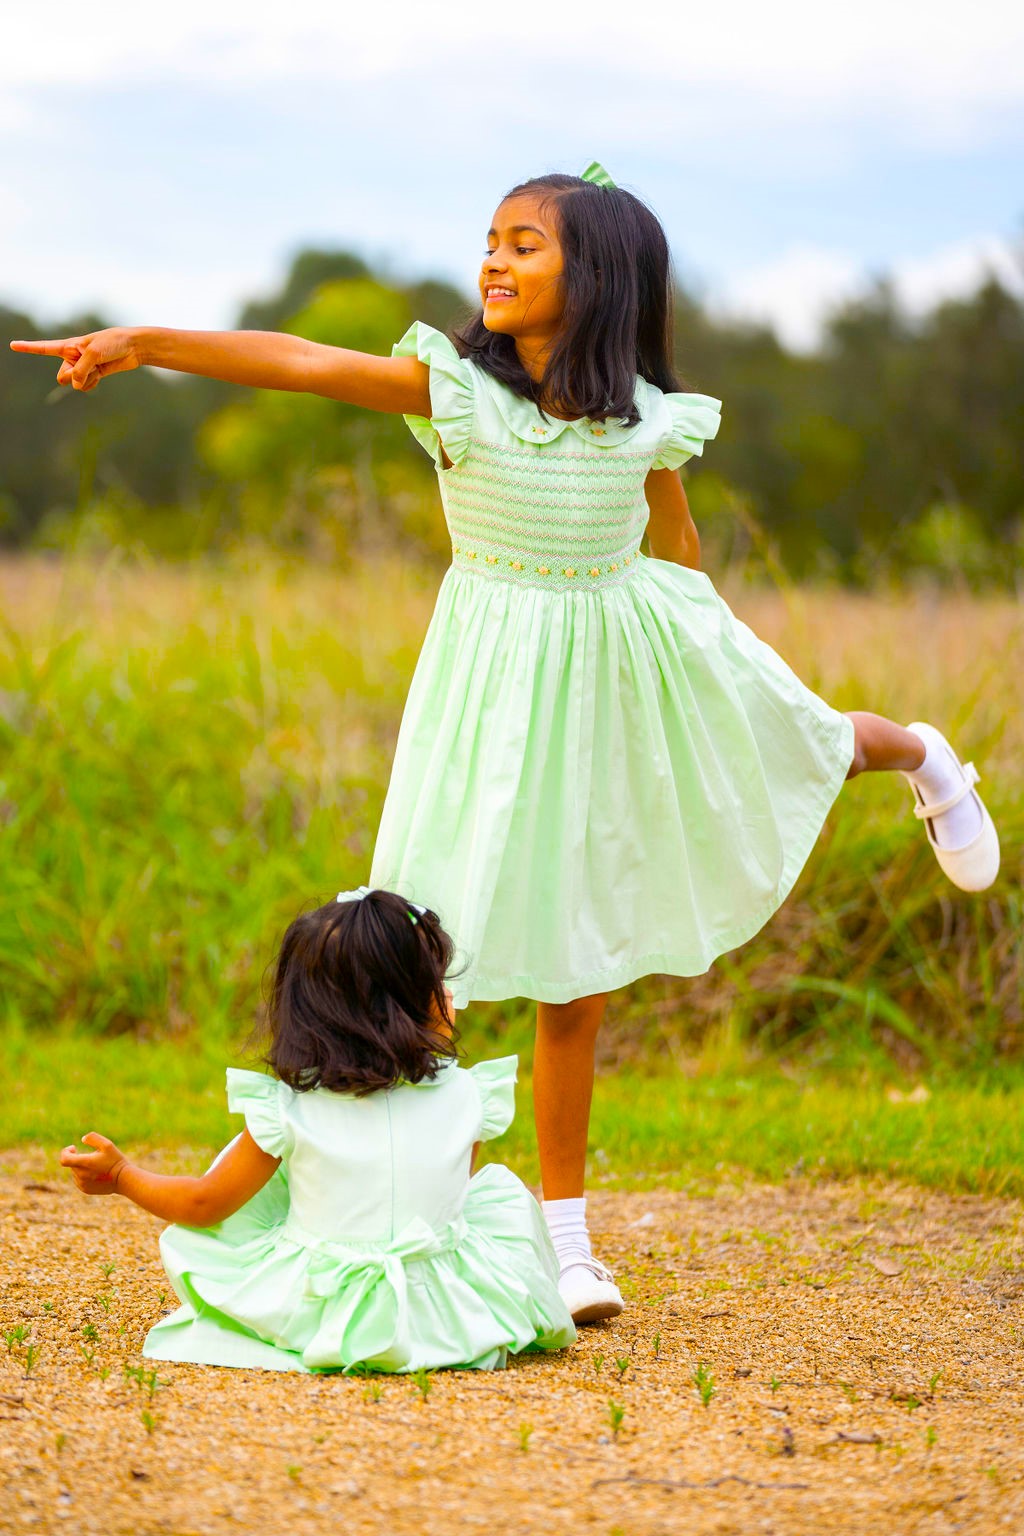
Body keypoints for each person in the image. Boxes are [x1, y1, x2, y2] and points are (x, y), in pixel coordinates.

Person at [23, 160, 1000, 1326]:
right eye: (489, 239)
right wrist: (148, 342)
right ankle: (477, 1224)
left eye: (524, 245)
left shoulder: (644, 421)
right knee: (448, 940)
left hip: (628, 646)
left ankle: (921, 755)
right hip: (490, 690)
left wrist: (704, 684)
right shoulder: (457, 397)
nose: (491, 259)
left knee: (778, 758)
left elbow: (677, 554)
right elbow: (301, 361)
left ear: (599, 282)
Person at [59, 888, 577, 1373]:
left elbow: (202, 1204)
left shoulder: (289, 1108)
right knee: (498, 1200)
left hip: (325, 1308)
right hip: (445, 1314)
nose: (449, 995)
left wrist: (124, 1175)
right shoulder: (466, 1096)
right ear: (404, 1007)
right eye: (437, 982)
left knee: (262, 1186)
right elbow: (450, 1199)